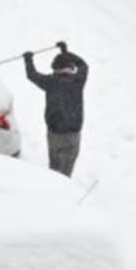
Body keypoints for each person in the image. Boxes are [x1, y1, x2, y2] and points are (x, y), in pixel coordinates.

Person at [24, 41, 88, 176]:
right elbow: (83, 65)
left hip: (55, 134)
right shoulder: (78, 80)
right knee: (66, 172)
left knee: (54, 170)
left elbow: (32, 75)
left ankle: (53, 186)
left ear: (55, 68)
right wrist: (66, 52)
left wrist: (28, 59)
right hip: (73, 135)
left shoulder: (50, 81)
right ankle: (65, 187)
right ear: (71, 67)